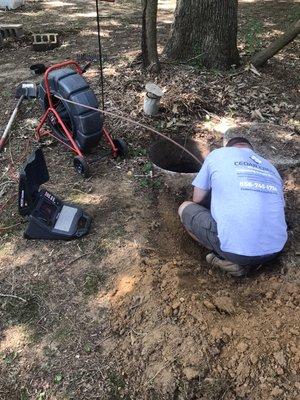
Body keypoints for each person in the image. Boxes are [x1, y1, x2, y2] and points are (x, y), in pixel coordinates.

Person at [178, 137, 287, 277]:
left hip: (238, 254)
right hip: (275, 250)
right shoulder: (271, 168)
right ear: (251, 151)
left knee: (185, 208)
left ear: (228, 147)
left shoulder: (218, 154)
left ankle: (229, 261)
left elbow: (197, 198)